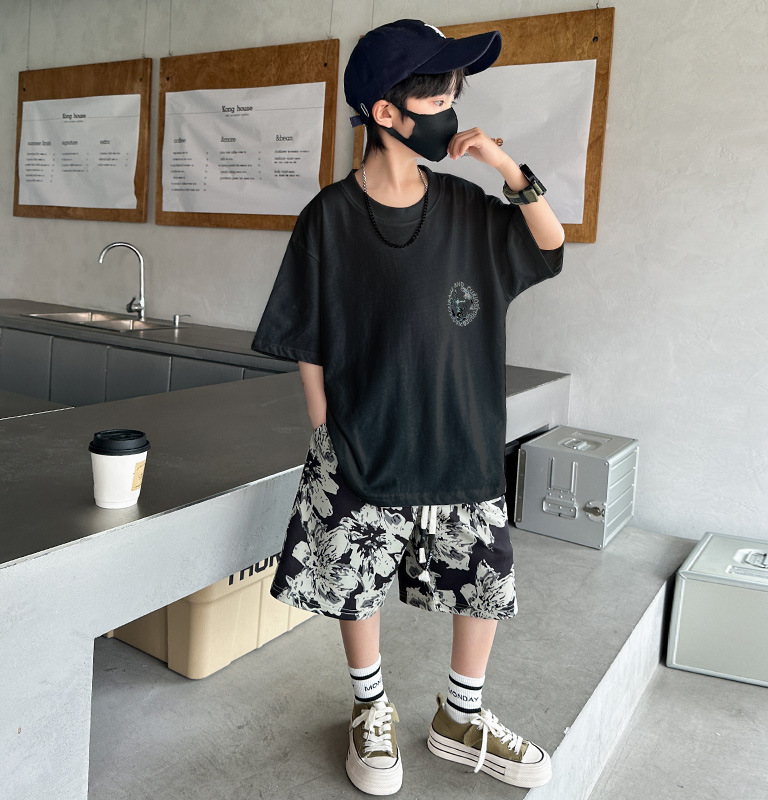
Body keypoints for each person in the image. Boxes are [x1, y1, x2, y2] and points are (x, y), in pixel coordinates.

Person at [252, 18, 565, 796]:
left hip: (458, 433)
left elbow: (548, 246)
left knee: (481, 574)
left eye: (455, 89)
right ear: (385, 112)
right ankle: (370, 708)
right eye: (437, 93)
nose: (452, 106)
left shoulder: (465, 207)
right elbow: (307, 335)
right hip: (361, 437)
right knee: (354, 579)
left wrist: (505, 167)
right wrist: (324, 429)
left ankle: (462, 717)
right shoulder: (329, 217)